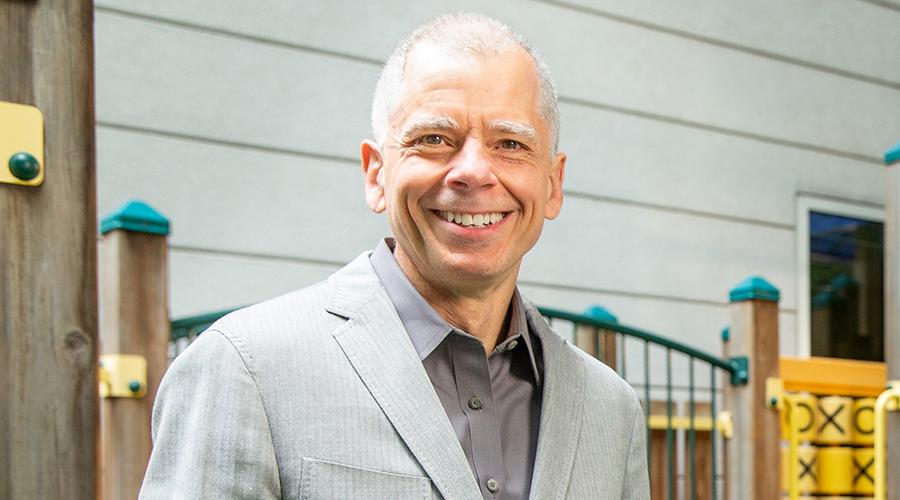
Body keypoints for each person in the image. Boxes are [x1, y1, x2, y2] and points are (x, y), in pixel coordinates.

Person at [140, 13, 649, 500]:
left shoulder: (610, 409)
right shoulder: (243, 368)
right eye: (434, 139)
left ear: (554, 184)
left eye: (510, 144)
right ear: (375, 173)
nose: (473, 171)